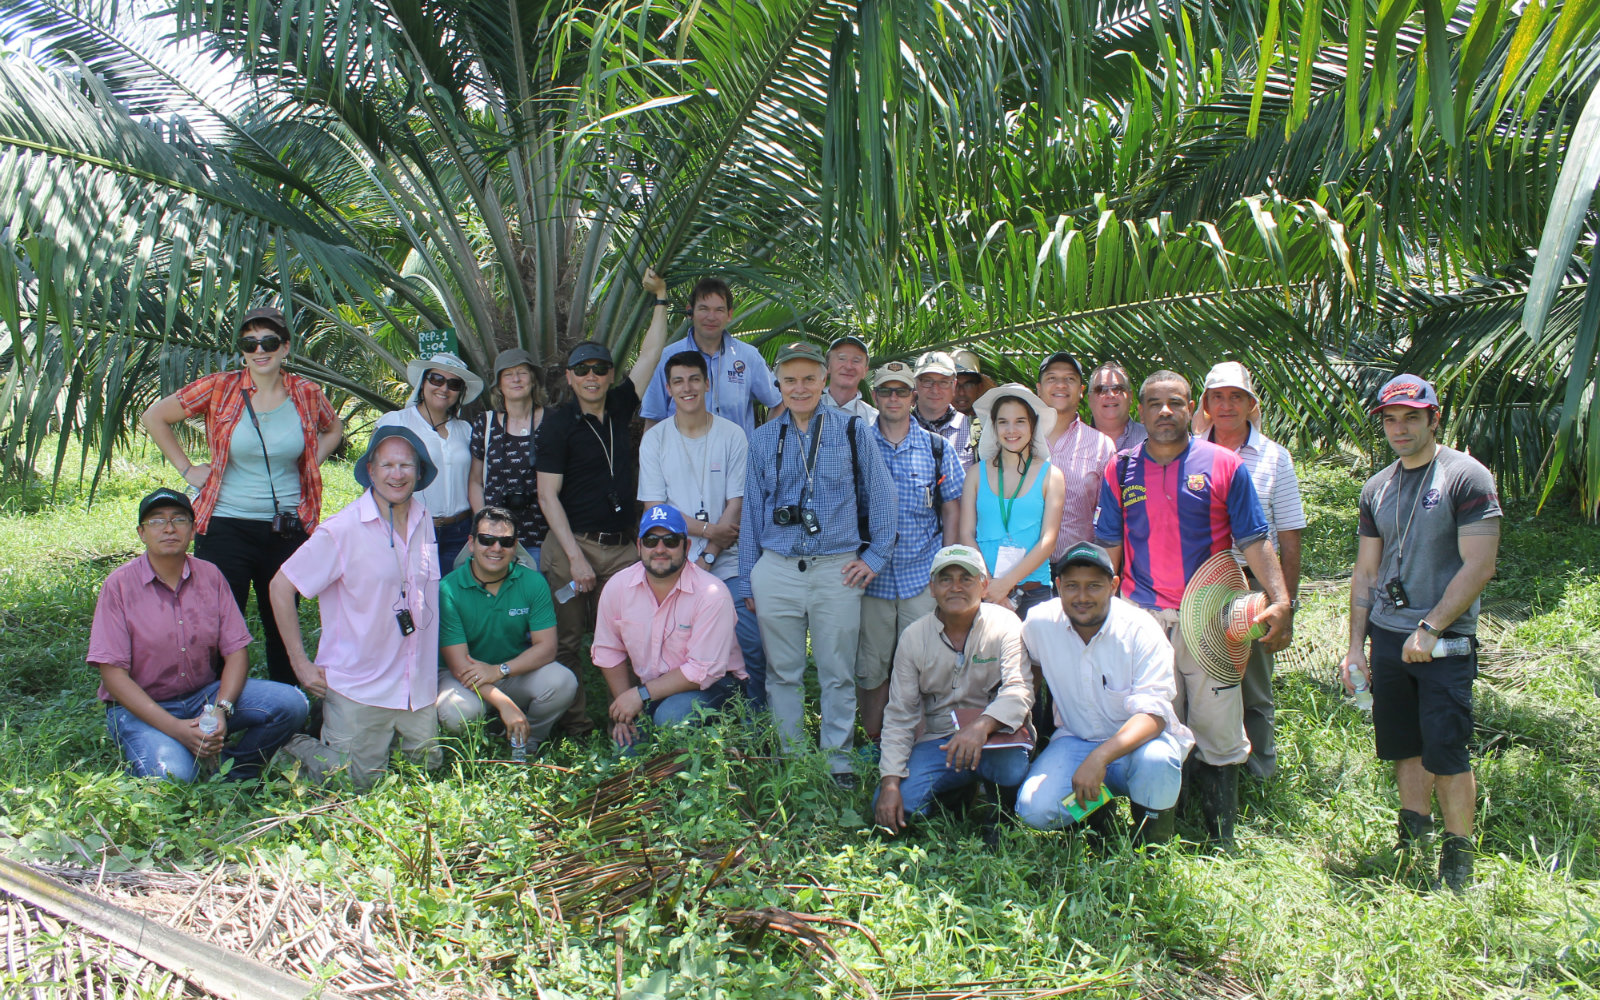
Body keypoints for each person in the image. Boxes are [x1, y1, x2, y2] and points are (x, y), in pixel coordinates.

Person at [1092, 370, 1293, 844]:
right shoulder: (1119, 469)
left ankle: (1220, 835)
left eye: (1176, 403)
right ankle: (1158, 834)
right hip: (1143, 619)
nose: (1165, 411)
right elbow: (1108, 548)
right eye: (1155, 403)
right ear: (1140, 412)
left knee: (1219, 727)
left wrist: (1282, 601)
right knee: (1154, 720)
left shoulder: (1224, 465)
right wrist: (1102, 615)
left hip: (1212, 619)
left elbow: (1254, 539)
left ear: (1192, 410)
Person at [1339, 374, 1500, 891]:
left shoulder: (1465, 477)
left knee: (1447, 749)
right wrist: (1354, 648)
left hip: (1443, 641)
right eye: (1390, 419)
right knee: (1405, 746)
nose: (1400, 429)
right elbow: (1366, 572)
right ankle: (1414, 839)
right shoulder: (1377, 487)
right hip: (1389, 637)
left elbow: (1480, 565)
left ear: (1434, 418)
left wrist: (1431, 627)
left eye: (1412, 417)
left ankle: (1458, 861)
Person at [140, 305, 343, 688]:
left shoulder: (306, 392)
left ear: (285, 347)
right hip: (225, 524)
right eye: (249, 343)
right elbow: (155, 416)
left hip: (285, 526)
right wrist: (187, 469)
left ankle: (287, 709)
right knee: (218, 623)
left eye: (268, 341)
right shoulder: (221, 386)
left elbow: (334, 429)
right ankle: (216, 710)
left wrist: (310, 462)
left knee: (280, 620)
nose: (258, 350)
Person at [740, 341, 896, 788]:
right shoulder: (764, 437)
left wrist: (875, 556)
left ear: (824, 380)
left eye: (809, 378)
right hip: (778, 566)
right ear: (778, 385)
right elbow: (752, 510)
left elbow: (883, 498)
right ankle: (792, 757)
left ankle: (838, 762)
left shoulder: (853, 431)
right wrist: (751, 578)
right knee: (782, 671)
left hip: (836, 568)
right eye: (790, 380)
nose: (800, 387)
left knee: (836, 670)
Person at [88, 488, 308, 782]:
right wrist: (175, 728)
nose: (168, 528)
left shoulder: (211, 576)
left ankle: (234, 769)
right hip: (141, 707)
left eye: (179, 519)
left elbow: (236, 652)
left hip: (201, 698)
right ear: (142, 533)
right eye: (156, 521)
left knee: (292, 704)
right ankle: (178, 748)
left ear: (193, 530)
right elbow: (112, 675)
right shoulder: (119, 586)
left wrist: (221, 710)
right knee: (173, 778)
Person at [536, 269, 672, 736]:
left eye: (600, 370)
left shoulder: (617, 407)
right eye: (582, 371)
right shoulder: (557, 423)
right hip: (571, 547)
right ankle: (574, 724)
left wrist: (659, 301)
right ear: (570, 378)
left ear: (609, 375)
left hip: (621, 550)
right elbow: (546, 495)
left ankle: (628, 718)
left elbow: (651, 355)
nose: (592, 377)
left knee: (630, 636)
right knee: (567, 640)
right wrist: (574, 558)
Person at [268, 428, 444, 790]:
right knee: (354, 785)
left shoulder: (423, 518)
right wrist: (300, 663)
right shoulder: (342, 530)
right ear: (372, 471)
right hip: (360, 688)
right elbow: (280, 587)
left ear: (419, 472)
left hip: (416, 688)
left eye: (406, 465)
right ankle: (290, 743)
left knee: (426, 778)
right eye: (388, 465)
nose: (397, 473)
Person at [1015, 543, 1189, 844]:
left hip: (1138, 746)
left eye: (1094, 586)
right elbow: (1032, 669)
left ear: (1113, 585)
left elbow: (1155, 715)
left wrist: (1099, 758)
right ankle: (1098, 806)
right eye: (1072, 586)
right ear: (1057, 586)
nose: (1082, 597)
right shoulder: (1040, 623)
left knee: (1159, 761)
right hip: (1075, 739)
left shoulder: (1140, 630)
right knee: (1034, 811)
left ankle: (1152, 846)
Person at [1194, 362, 1308, 779]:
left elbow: (1290, 536)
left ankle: (1259, 773)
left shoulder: (1275, 458)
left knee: (1254, 685)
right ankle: (1207, 771)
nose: (1226, 405)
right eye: (1218, 397)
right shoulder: (1188, 453)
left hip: (1254, 584)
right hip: (1201, 586)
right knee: (1204, 680)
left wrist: (1285, 605)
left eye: (1236, 396)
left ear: (1250, 403)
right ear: (1205, 405)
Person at [873, 545, 1033, 836]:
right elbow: (900, 714)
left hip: (994, 739)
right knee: (895, 810)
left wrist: (982, 726)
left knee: (1011, 768)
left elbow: (1019, 690)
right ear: (932, 587)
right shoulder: (913, 637)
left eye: (967, 578)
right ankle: (956, 792)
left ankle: (1003, 816)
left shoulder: (1005, 624)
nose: (956, 587)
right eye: (946, 579)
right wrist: (890, 783)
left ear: (984, 585)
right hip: (939, 741)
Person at [637, 350, 764, 708]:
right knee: (673, 646)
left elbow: (736, 503)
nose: (687, 387)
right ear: (668, 388)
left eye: (694, 379)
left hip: (726, 561)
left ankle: (756, 721)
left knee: (750, 641)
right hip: (672, 562)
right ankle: (677, 714)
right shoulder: (656, 440)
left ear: (707, 384)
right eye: (678, 381)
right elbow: (656, 511)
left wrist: (709, 554)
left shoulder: (732, 435)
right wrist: (708, 533)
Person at [855, 361, 966, 745]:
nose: (894, 398)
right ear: (874, 397)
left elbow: (952, 505)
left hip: (921, 578)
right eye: (886, 391)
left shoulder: (937, 449)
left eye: (901, 391)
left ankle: (919, 746)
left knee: (925, 669)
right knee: (872, 670)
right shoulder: (857, 446)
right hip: (873, 582)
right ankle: (873, 744)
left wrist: (946, 565)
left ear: (912, 397)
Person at [592, 505, 747, 747]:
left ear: (686, 547)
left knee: (672, 718)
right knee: (627, 754)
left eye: (671, 541)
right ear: (639, 546)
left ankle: (719, 753)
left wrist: (639, 695)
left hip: (715, 686)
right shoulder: (618, 587)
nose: (660, 549)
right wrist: (625, 707)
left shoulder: (712, 594)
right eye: (651, 541)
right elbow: (608, 650)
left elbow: (702, 671)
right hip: (652, 691)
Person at [435, 507, 576, 753]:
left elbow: (547, 648)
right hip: (461, 676)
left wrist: (499, 671)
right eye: (486, 540)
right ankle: (478, 748)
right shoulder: (448, 588)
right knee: (457, 712)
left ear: (515, 546)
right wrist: (505, 704)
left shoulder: (532, 582)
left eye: (506, 541)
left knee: (563, 682)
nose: (496, 548)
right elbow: (458, 666)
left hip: (509, 670)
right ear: (471, 543)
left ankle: (526, 739)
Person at [960, 384, 1065, 622]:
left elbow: (1048, 540)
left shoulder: (1052, 476)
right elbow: (966, 533)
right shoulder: (976, 474)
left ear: (1033, 425)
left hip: (1033, 590)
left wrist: (1005, 584)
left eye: (1020, 421)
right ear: (993, 427)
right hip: (983, 590)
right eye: (1003, 422)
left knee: (1035, 658)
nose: (1011, 430)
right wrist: (989, 586)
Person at [375, 351, 484, 571]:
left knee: (451, 602)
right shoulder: (396, 423)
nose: (444, 388)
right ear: (423, 383)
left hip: (460, 532)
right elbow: (373, 480)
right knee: (416, 601)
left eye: (453, 384)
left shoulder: (465, 430)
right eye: (437, 379)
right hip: (412, 529)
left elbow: (475, 480)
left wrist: (481, 525)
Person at [639, 276, 781, 436]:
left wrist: (762, 445)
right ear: (690, 311)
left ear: (729, 314)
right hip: (682, 459)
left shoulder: (748, 357)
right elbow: (653, 420)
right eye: (704, 309)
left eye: (719, 310)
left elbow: (778, 402)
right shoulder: (667, 358)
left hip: (736, 460)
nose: (711, 317)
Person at [469, 348, 548, 566]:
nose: (516, 379)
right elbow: (475, 481)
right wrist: (484, 524)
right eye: (508, 374)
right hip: (495, 541)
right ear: (499, 385)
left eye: (522, 372)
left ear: (533, 380)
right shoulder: (485, 424)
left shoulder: (552, 422)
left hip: (542, 538)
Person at [1038, 351, 1117, 558]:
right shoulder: (1019, 440)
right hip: (1022, 574)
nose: (1061, 385)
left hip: (1079, 570)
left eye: (1069, 379)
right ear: (1038, 389)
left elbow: (1108, 518)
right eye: (1051, 378)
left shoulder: (1101, 445)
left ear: (1081, 391)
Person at [913, 351, 976, 467]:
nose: (935, 390)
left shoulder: (974, 431)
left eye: (943, 382)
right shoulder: (898, 428)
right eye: (927, 381)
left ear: (954, 385)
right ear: (915, 384)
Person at [1087, 361, 1147, 453]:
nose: (1110, 395)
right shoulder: (1075, 443)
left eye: (1118, 389)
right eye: (1100, 390)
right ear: (1089, 399)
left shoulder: (1151, 439)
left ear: (1131, 396)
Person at [820, 335, 878, 423]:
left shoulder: (873, 419)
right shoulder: (808, 410)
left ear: (865, 372)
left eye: (856, 361)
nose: (848, 366)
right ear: (828, 366)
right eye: (842, 358)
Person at [953, 351, 995, 417]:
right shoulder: (933, 424)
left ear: (979, 387)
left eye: (968, 385)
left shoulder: (991, 423)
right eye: (955, 385)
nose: (961, 392)